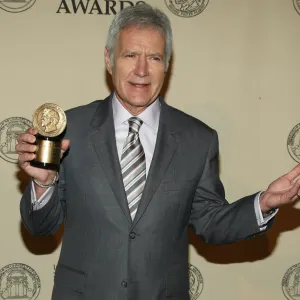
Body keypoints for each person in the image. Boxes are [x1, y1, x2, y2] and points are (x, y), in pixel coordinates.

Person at [16, 4, 300, 300]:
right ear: (109, 60)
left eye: (154, 57)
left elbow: (211, 222)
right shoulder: (67, 129)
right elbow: (39, 228)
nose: (142, 70)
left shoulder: (198, 139)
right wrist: (43, 183)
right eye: (130, 55)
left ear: (167, 64)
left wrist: (263, 204)